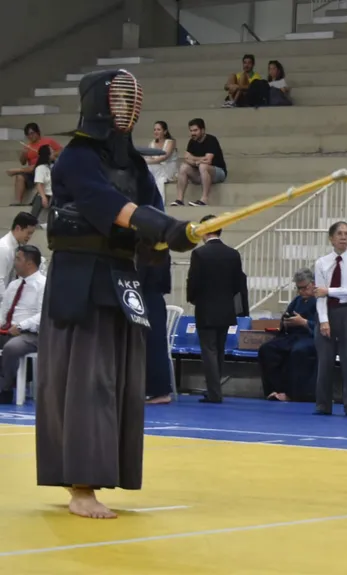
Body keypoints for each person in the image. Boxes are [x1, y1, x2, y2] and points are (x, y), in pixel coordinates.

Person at [35, 69, 197, 520]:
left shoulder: (136, 165)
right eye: (119, 97)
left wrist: (177, 235)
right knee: (86, 381)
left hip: (122, 279)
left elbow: (152, 214)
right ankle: (80, 486)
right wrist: (158, 225)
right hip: (80, 279)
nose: (129, 105)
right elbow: (105, 202)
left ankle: (104, 473)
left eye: (133, 97)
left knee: (120, 382)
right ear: (99, 103)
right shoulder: (76, 158)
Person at [186, 214, 249, 403]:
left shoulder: (199, 254)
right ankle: (215, 389)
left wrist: (193, 299)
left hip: (205, 308)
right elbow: (238, 284)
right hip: (226, 308)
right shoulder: (233, 254)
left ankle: (214, 392)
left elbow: (193, 283)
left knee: (209, 351)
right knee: (219, 350)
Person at [313, 221, 347, 417]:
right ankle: (322, 404)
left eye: (346, 234)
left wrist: (329, 290)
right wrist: (324, 320)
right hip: (327, 312)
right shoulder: (321, 263)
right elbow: (319, 294)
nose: (343, 237)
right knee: (324, 361)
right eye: (340, 234)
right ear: (331, 238)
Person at [258, 268, 317, 402]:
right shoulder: (297, 300)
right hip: (293, 335)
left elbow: (324, 325)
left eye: (304, 288)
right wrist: (286, 322)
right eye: (299, 288)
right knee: (267, 349)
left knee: (299, 351)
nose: (301, 292)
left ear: (313, 284)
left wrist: (304, 322)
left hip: (310, 337)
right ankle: (274, 390)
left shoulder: (321, 301)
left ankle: (293, 393)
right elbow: (287, 316)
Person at [0, 245, 45, 405]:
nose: (14, 262)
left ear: (29, 263)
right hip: (8, 329)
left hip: (31, 334)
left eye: (18, 259)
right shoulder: (13, 285)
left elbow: (43, 315)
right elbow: (3, 311)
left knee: (12, 348)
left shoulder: (43, 285)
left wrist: (21, 326)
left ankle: (4, 390)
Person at [139, 250, 174, 404]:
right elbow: (166, 284)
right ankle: (160, 389)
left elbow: (138, 278)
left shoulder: (143, 252)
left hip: (144, 298)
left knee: (149, 346)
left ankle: (154, 390)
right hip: (157, 299)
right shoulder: (164, 251)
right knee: (157, 345)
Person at [171, 118, 227, 207]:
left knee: (203, 166)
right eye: (191, 130)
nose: (193, 133)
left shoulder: (211, 140)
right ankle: (179, 200)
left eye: (195, 130)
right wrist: (197, 161)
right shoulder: (192, 141)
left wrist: (194, 159)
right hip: (200, 172)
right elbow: (186, 158)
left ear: (203, 130)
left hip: (218, 172)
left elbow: (208, 160)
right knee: (183, 167)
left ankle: (204, 200)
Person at [0, 212, 37, 302]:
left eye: (31, 234)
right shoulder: (3, 248)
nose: (29, 237)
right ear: (17, 228)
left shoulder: (17, 247)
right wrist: (7, 303)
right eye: (28, 233)